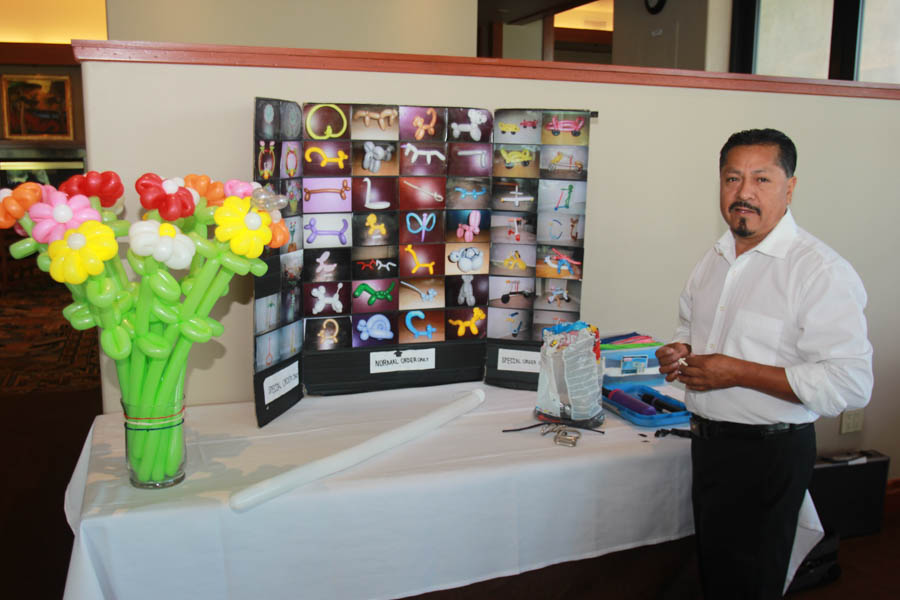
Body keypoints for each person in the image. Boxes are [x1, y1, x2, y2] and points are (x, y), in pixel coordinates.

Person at [656, 128, 873, 598]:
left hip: (769, 455)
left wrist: (736, 372)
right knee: (717, 576)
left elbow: (850, 384)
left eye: (762, 179)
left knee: (752, 584)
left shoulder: (818, 271)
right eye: (732, 179)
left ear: (790, 187)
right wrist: (680, 352)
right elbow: (689, 325)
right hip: (710, 447)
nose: (744, 194)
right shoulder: (714, 259)